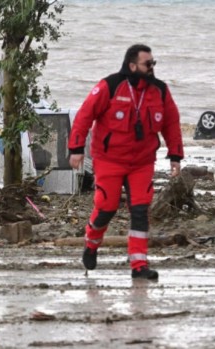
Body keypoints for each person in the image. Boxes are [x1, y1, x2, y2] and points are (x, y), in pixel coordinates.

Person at [68, 44, 184, 280]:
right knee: (106, 208)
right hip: (109, 159)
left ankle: (139, 265)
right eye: (147, 64)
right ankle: (91, 244)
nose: (152, 68)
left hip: (141, 162)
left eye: (153, 63)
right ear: (133, 66)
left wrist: (175, 156)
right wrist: (76, 149)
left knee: (140, 210)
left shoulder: (160, 91)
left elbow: (171, 123)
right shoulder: (109, 86)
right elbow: (84, 115)